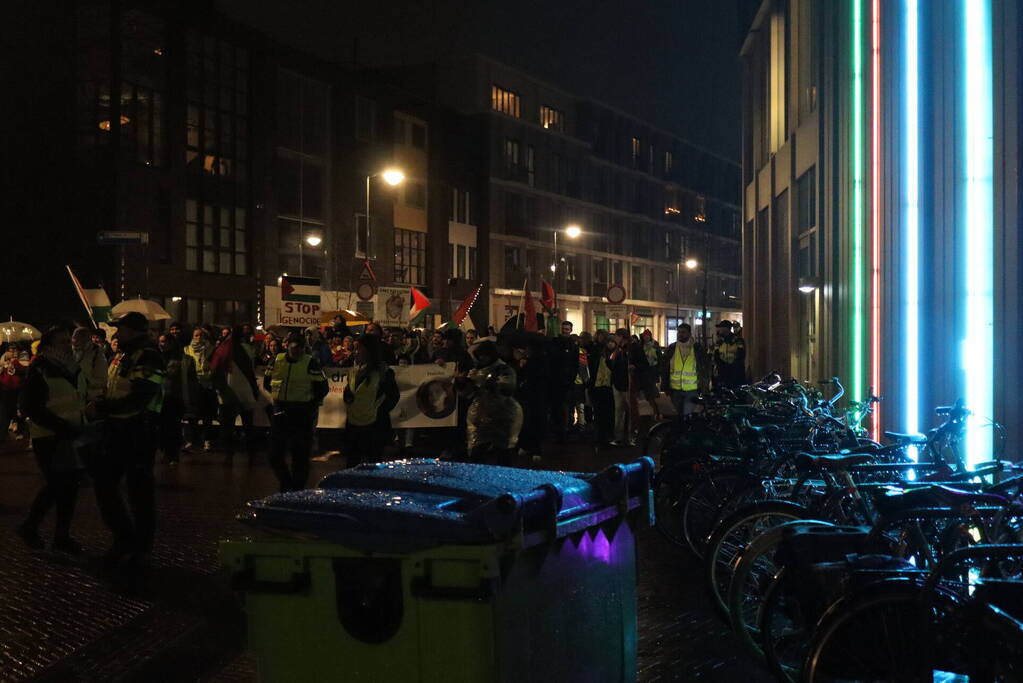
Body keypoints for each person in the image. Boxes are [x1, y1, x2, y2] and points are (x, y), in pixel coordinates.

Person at [89, 312, 166, 571]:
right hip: (118, 428)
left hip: (137, 430)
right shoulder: (124, 354)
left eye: (118, 328)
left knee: (138, 491)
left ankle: (139, 547)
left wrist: (105, 407)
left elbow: (141, 395)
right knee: (106, 484)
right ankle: (125, 538)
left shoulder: (147, 355)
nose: (115, 333)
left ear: (132, 330)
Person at [16, 327, 87, 554]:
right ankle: (32, 527)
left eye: (69, 341)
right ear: (48, 347)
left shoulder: (70, 368)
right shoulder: (40, 370)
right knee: (58, 485)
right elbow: (30, 407)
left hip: (69, 434)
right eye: (63, 342)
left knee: (69, 487)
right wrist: (63, 426)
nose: (69, 345)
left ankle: (60, 535)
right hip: (49, 436)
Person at [264, 333, 328, 492]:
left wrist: (309, 404)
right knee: (274, 454)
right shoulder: (277, 360)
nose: (297, 351)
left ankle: (296, 489)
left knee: (300, 455)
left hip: (301, 413)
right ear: (287, 347)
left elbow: (322, 387)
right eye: (294, 348)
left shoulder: (310, 362)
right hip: (281, 411)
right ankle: (287, 484)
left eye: (300, 348)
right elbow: (267, 382)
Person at [460, 340, 522, 465]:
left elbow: (507, 388)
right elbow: (467, 394)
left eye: (483, 355)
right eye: (480, 356)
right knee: (477, 449)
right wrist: (463, 382)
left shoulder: (504, 369)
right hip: (481, 414)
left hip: (502, 413)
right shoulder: (476, 371)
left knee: (502, 449)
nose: (481, 358)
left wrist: (488, 383)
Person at [342, 334, 399, 464]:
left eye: (359, 349)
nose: (355, 353)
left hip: (374, 428)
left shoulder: (383, 373)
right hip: (353, 426)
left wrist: (376, 410)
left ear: (369, 351)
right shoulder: (354, 370)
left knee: (373, 465)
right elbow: (349, 391)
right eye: (355, 349)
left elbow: (393, 396)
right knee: (352, 465)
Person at [210, 326, 260, 462]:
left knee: (228, 426)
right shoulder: (248, 349)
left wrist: (219, 389)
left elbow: (214, 370)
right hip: (246, 391)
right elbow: (251, 370)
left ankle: (229, 454)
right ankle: (251, 454)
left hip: (228, 392)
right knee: (248, 425)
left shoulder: (221, 349)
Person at [157, 334, 197, 464]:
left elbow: (190, 381)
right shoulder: (159, 357)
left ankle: (172, 454)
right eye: (160, 341)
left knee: (173, 427)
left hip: (174, 397)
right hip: (162, 398)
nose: (161, 344)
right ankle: (167, 452)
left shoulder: (183, 360)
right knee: (164, 427)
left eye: (163, 341)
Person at [660, 323, 704, 416]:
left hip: (691, 390)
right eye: (679, 332)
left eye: (683, 332)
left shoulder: (697, 348)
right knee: (677, 416)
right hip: (675, 390)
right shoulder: (671, 348)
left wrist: (704, 388)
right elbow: (664, 367)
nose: (680, 334)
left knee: (687, 416)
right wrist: (664, 385)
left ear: (689, 334)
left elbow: (704, 369)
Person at [184, 327, 216, 452]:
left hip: (207, 385)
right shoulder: (187, 349)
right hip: (193, 385)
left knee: (207, 415)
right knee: (192, 415)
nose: (198, 338)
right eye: (196, 335)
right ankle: (191, 441)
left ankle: (207, 440)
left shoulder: (210, 349)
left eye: (201, 335)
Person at [549, 320, 579, 442]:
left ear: (570, 330)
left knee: (566, 408)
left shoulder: (573, 345)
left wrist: (571, 378)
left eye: (567, 329)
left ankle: (565, 431)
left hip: (567, 382)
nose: (565, 331)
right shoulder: (555, 343)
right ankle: (558, 431)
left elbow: (575, 364)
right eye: (563, 329)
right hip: (556, 381)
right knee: (557, 408)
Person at [591, 336, 617, 445]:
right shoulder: (601, 354)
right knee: (600, 412)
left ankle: (607, 435)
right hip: (600, 386)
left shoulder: (616, 354)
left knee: (609, 412)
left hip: (611, 386)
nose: (610, 344)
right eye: (609, 342)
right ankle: (601, 435)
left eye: (612, 342)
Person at [610, 329, 633, 446]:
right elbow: (612, 365)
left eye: (616, 336)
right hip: (618, 384)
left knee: (630, 412)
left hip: (628, 385)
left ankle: (630, 437)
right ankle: (618, 437)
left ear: (622, 337)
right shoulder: (617, 350)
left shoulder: (631, 349)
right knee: (619, 412)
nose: (615, 339)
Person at [72, 327, 108, 404]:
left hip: (91, 398)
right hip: (76, 397)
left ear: (87, 339)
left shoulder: (97, 354)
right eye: (74, 338)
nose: (75, 341)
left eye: (80, 338)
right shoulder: (71, 351)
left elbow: (102, 381)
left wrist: (84, 381)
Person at [0, 343, 28, 442]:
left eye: (14, 349)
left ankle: (20, 431)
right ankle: (4, 432)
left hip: (18, 389)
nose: (12, 351)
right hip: (6, 389)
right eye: (10, 349)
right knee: (7, 410)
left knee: (19, 410)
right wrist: (3, 365)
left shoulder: (22, 357)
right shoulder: (3, 360)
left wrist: (16, 364)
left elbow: (25, 370)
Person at [713, 320, 746, 389]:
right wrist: (722, 366)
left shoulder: (737, 340)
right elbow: (716, 355)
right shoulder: (719, 342)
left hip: (735, 373)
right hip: (723, 373)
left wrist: (733, 366)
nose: (719, 329)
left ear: (726, 328)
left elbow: (741, 355)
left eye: (720, 327)